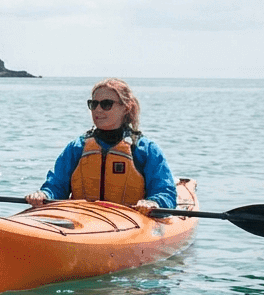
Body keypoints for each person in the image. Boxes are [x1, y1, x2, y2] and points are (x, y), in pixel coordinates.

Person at [25, 78, 177, 213]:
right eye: (93, 104)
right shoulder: (77, 148)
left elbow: (165, 193)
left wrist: (155, 202)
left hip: (131, 223)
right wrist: (44, 195)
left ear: (125, 108)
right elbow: (57, 186)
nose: (97, 110)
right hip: (84, 218)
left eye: (106, 104)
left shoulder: (144, 149)